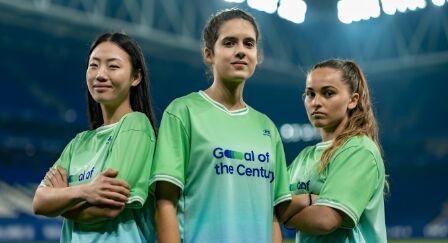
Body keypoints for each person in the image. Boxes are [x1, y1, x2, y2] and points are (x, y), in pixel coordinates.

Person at [150, 8, 291, 243]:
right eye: (229, 43)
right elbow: (165, 203)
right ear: (209, 54)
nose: (240, 52)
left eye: (249, 44)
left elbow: (273, 215)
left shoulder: (267, 127)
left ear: (257, 55)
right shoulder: (183, 112)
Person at [32, 32, 157, 243]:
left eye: (113, 66)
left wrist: (62, 200)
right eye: (94, 65)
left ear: (135, 77)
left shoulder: (136, 125)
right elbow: (39, 202)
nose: (100, 74)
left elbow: (107, 209)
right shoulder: (78, 143)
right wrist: (85, 192)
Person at [283, 59, 387, 242]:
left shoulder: (359, 150)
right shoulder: (304, 157)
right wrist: (308, 200)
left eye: (328, 93)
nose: (316, 102)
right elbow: (273, 205)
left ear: (353, 101)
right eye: (310, 94)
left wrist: (287, 217)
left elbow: (324, 220)